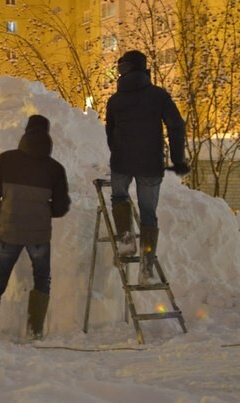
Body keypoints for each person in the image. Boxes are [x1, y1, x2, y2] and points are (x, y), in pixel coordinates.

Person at [0, 115, 71, 341]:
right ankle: (34, 332)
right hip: (38, 234)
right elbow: (61, 206)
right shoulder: (55, 168)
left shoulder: (6, 160)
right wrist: (45, 211)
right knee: (42, 279)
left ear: (26, 133)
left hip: (8, 230)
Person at [105, 50, 189, 284]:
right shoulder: (158, 96)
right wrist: (178, 159)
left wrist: (119, 152)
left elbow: (110, 133)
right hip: (150, 164)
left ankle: (126, 240)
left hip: (122, 162)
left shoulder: (115, 100)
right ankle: (147, 268)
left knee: (119, 197)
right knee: (148, 214)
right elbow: (176, 127)